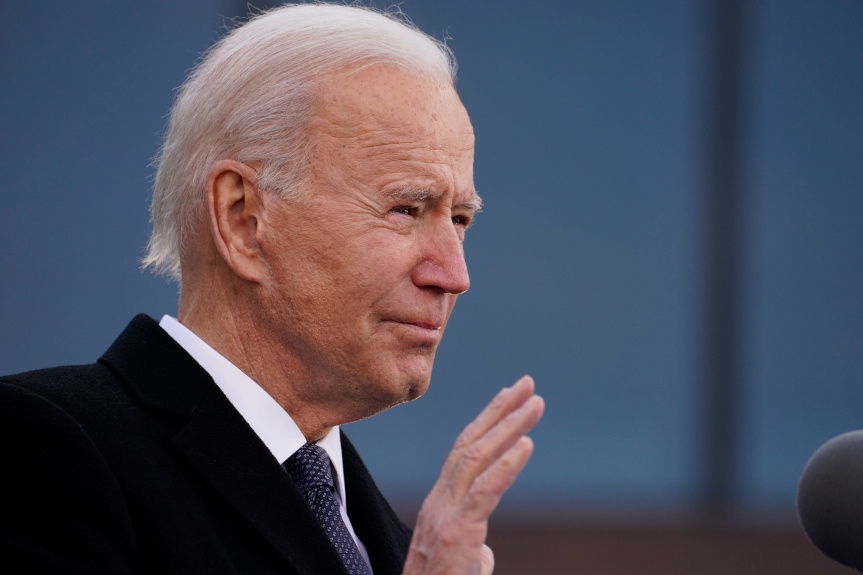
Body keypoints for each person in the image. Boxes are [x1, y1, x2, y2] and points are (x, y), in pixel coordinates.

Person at [0, 4, 544, 575]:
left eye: (460, 220)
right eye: (406, 209)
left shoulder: (398, 546)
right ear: (243, 219)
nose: (453, 276)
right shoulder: (42, 451)